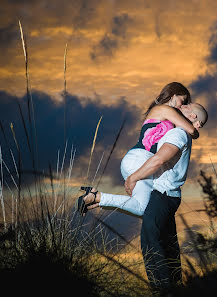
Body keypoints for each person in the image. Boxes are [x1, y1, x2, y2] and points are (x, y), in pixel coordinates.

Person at [80, 101, 208, 290]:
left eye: (187, 105)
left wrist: (133, 178)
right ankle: (174, 288)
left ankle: (162, 289)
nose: (183, 105)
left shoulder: (179, 133)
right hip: (167, 196)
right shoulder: (178, 131)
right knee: (167, 246)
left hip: (163, 196)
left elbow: (158, 160)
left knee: (151, 243)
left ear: (193, 116)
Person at [75, 82, 201, 217]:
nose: (182, 105)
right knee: (144, 208)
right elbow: (192, 130)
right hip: (140, 159)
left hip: (138, 160)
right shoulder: (165, 109)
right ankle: (96, 197)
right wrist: (196, 127)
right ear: (173, 96)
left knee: (143, 209)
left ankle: (96, 199)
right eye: (183, 101)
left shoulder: (165, 113)